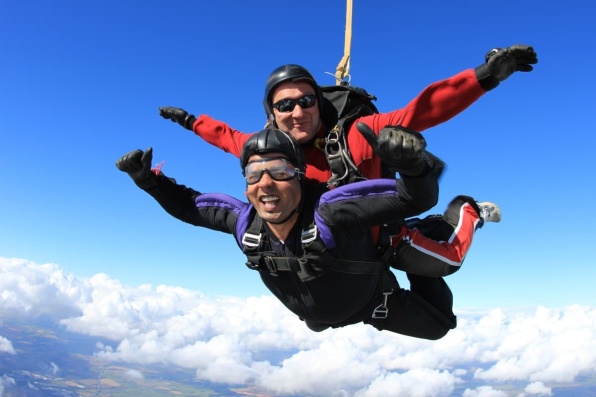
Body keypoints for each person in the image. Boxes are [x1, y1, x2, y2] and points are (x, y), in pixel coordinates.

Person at [116, 127, 501, 339]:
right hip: (327, 312)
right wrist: (147, 181)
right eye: (254, 174)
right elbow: (189, 207)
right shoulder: (244, 222)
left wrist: (415, 168)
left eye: (280, 171)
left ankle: (463, 211)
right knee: (320, 321)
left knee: (440, 321)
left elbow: (410, 198)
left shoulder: (333, 212)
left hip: (373, 302)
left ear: (299, 176)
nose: (266, 183)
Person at [159, 44, 537, 185]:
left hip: (372, 241)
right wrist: (191, 121)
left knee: (438, 296)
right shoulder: (269, 148)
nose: (297, 112)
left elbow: (419, 114)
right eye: (284, 105)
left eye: (306, 101)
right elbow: (227, 138)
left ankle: (469, 214)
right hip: (321, 251)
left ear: (319, 104)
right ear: (272, 115)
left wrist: (484, 77)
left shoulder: (353, 135)